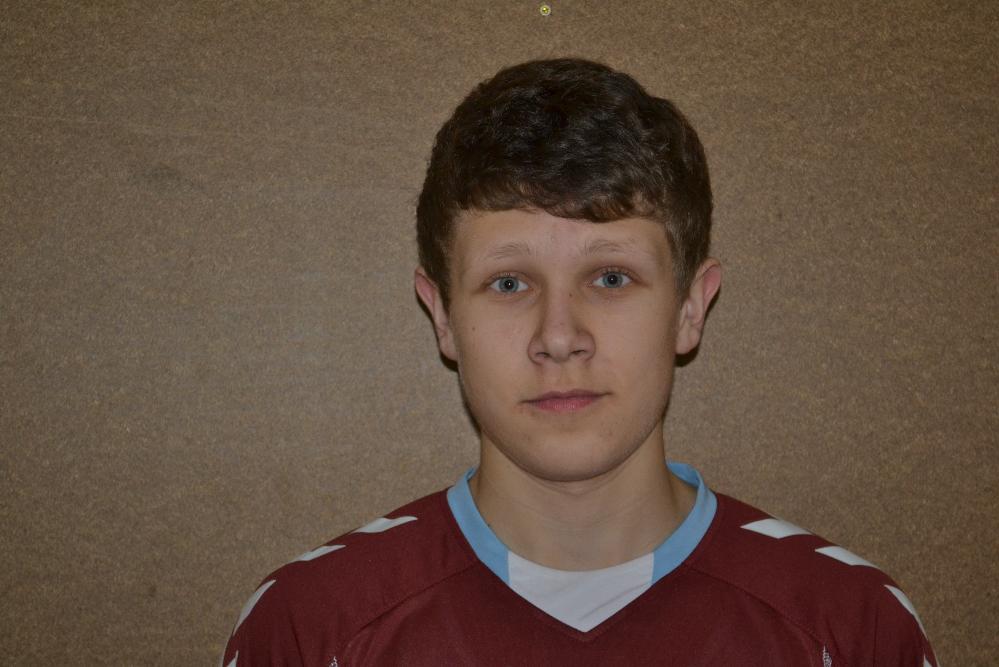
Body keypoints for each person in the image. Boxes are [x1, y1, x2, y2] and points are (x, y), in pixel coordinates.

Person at [222, 58, 937, 666]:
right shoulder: (311, 629)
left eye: (611, 278)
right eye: (510, 283)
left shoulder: (851, 629)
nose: (559, 337)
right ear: (442, 316)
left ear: (691, 307)